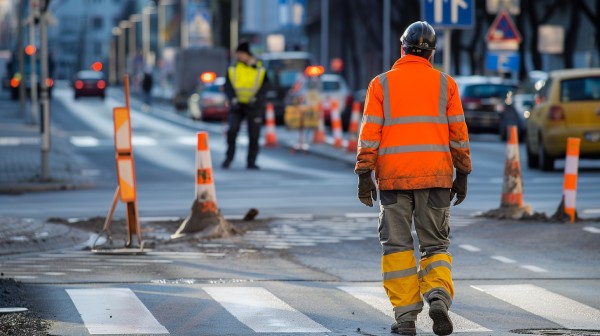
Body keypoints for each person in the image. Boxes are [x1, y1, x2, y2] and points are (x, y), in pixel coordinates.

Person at [355, 21, 472, 336]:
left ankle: (406, 318)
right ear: (431, 53)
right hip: (436, 178)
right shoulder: (446, 85)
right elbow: (458, 135)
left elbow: (369, 134)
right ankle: (437, 295)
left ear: (402, 48)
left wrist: (364, 175)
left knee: (397, 247)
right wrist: (462, 173)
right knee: (436, 246)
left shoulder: (381, 84)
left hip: (393, 180)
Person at [222, 41, 269, 170]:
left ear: (247, 54)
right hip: (237, 106)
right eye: (238, 54)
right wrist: (232, 99)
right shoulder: (233, 68)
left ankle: (251, 161)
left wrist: (257, 99)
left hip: (254, 106)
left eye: (241, 54)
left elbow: (265, 87)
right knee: (232, 131)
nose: (239, 56)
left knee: (254, 135)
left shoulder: (260, 69)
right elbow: (228, 86)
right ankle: (229, 158)